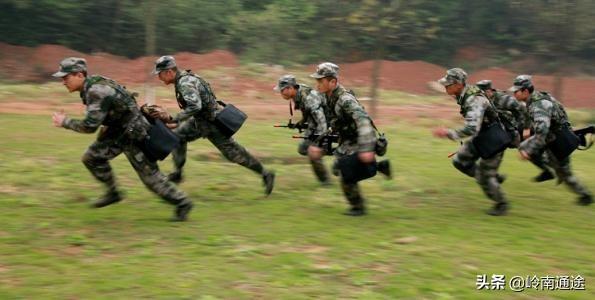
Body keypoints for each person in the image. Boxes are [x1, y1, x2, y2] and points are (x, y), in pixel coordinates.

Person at [51, 57, 193, 221]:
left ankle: (183, 203)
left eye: (65, 77)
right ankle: (113, 192)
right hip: (118, 131)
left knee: (151, 177)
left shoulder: (95, 90)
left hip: (133, 134)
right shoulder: (94, 85)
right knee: (91, 157)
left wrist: (64, 122)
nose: (63, 82)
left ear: (79, 75)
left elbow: (89, 126)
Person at [149, 55, 275, 195]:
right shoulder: (184, 79)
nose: (159, 78)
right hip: (199, 122)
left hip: (211, 124)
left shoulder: (184, 83)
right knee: (177, 137)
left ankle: (266, 174)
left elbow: (195, 106)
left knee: (234, 154)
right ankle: (178, 173)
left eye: (159, 74)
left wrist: (176, 120)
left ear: (169, 72)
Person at [310, 62, 391, 216]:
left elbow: (363, 120)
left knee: (344, 168)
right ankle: (380, 167)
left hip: (360, 139)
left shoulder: (345, 99)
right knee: (339, 168)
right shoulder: (329, 97)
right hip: (348, 140)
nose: (318, 84)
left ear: (332, 82)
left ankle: (358, 207)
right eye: (317, 81)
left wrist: (367, 149)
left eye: (321, 81)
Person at [432, 68, 509, 216]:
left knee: (485, 176)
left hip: (493, 138)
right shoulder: (464, 94)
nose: (446, 86)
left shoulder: (474, 99)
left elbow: (472, 128)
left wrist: (448, 133)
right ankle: (492, 178)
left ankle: (501, 203)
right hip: (482, 135)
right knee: (460, 161)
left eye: (449, 84)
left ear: (459, 84)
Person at [510, 75, 592, 205]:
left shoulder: (539, 106)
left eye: (516, 91)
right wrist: (526, 128)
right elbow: (559, 111)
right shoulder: (535, 98)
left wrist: (529, 151)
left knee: (566, 175)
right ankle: (551, 171)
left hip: (558, 141)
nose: (513, 93)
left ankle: (585, 195)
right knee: (526, 147)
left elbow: (541, 133)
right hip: (552, 138)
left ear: (525, 91)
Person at [274, 74, 330, 185]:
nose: (280, 94)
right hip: (314, 124)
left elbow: (322, 121)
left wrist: (319, 143)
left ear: (290, 88)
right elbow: (307, 113)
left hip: (325, 125)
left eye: (282, 91)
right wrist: (300, 124)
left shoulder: (309, 98)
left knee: (313, 152)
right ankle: (326, 150)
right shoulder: (298, 94)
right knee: (302, 148)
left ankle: (325, 181)